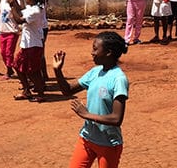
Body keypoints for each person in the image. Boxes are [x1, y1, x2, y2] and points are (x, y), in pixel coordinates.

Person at [53, 31, 129, 168]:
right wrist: (58, 71)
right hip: (87, 138)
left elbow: (117, 118)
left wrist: (86, 114)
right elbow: (67, 90)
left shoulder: (119, 79)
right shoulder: (95, 72)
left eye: (95, 49)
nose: (92, 53)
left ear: (108, 52)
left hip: (108, 143)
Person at [9, 0, 46, 102]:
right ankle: (27, 90)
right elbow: (20, 11)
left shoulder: (35, 11)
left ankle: (39, 93)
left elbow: (19, 19)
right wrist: (15, 1)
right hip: (28, 44)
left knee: (32, 71)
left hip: (33, 45)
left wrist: (11, 5)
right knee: (18, 66)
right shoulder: (32, 8)